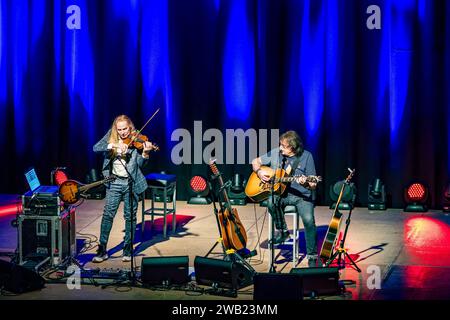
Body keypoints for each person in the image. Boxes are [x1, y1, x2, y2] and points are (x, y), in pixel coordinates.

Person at [92, 115, 155, 263]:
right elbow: (96, 147)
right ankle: (102, 250)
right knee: (108, 215)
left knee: (130, 216)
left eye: (125, 129)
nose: (123, 133)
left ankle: (128, 249)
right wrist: (115, 145)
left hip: (130, 182)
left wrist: (145, 153)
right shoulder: (111, 136)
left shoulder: (137, 138)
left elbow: (140, 164)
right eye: (119, 129)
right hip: (114, 182)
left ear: (130, 127)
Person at [251, 130, 319, 267]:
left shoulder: (307, 156)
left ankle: (312, 256)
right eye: (280, 144)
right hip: (281, 194)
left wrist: (305, 182)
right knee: (270, 201)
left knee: (309, 221)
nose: (280, 148)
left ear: (293, 147)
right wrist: (259, 171)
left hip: (301, 197)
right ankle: (283, 231)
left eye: (284, 146)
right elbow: (255, 161)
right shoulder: (276, 153)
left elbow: (313, 184)